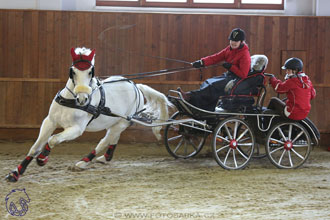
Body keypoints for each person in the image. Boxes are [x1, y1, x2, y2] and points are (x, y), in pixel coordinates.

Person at [178, 28, 251, 111]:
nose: (233, 43)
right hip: (228, 76)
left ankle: (190, 97)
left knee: (213, 85)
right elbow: (216, 57)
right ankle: (201, 105)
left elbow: (243, 74)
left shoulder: (245, 54)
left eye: (236, 41)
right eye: (231, 40)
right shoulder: (229, 49)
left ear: (241, 42)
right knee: (208, 82)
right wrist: (202, 62)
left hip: (236, 80)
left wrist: (231, 67)